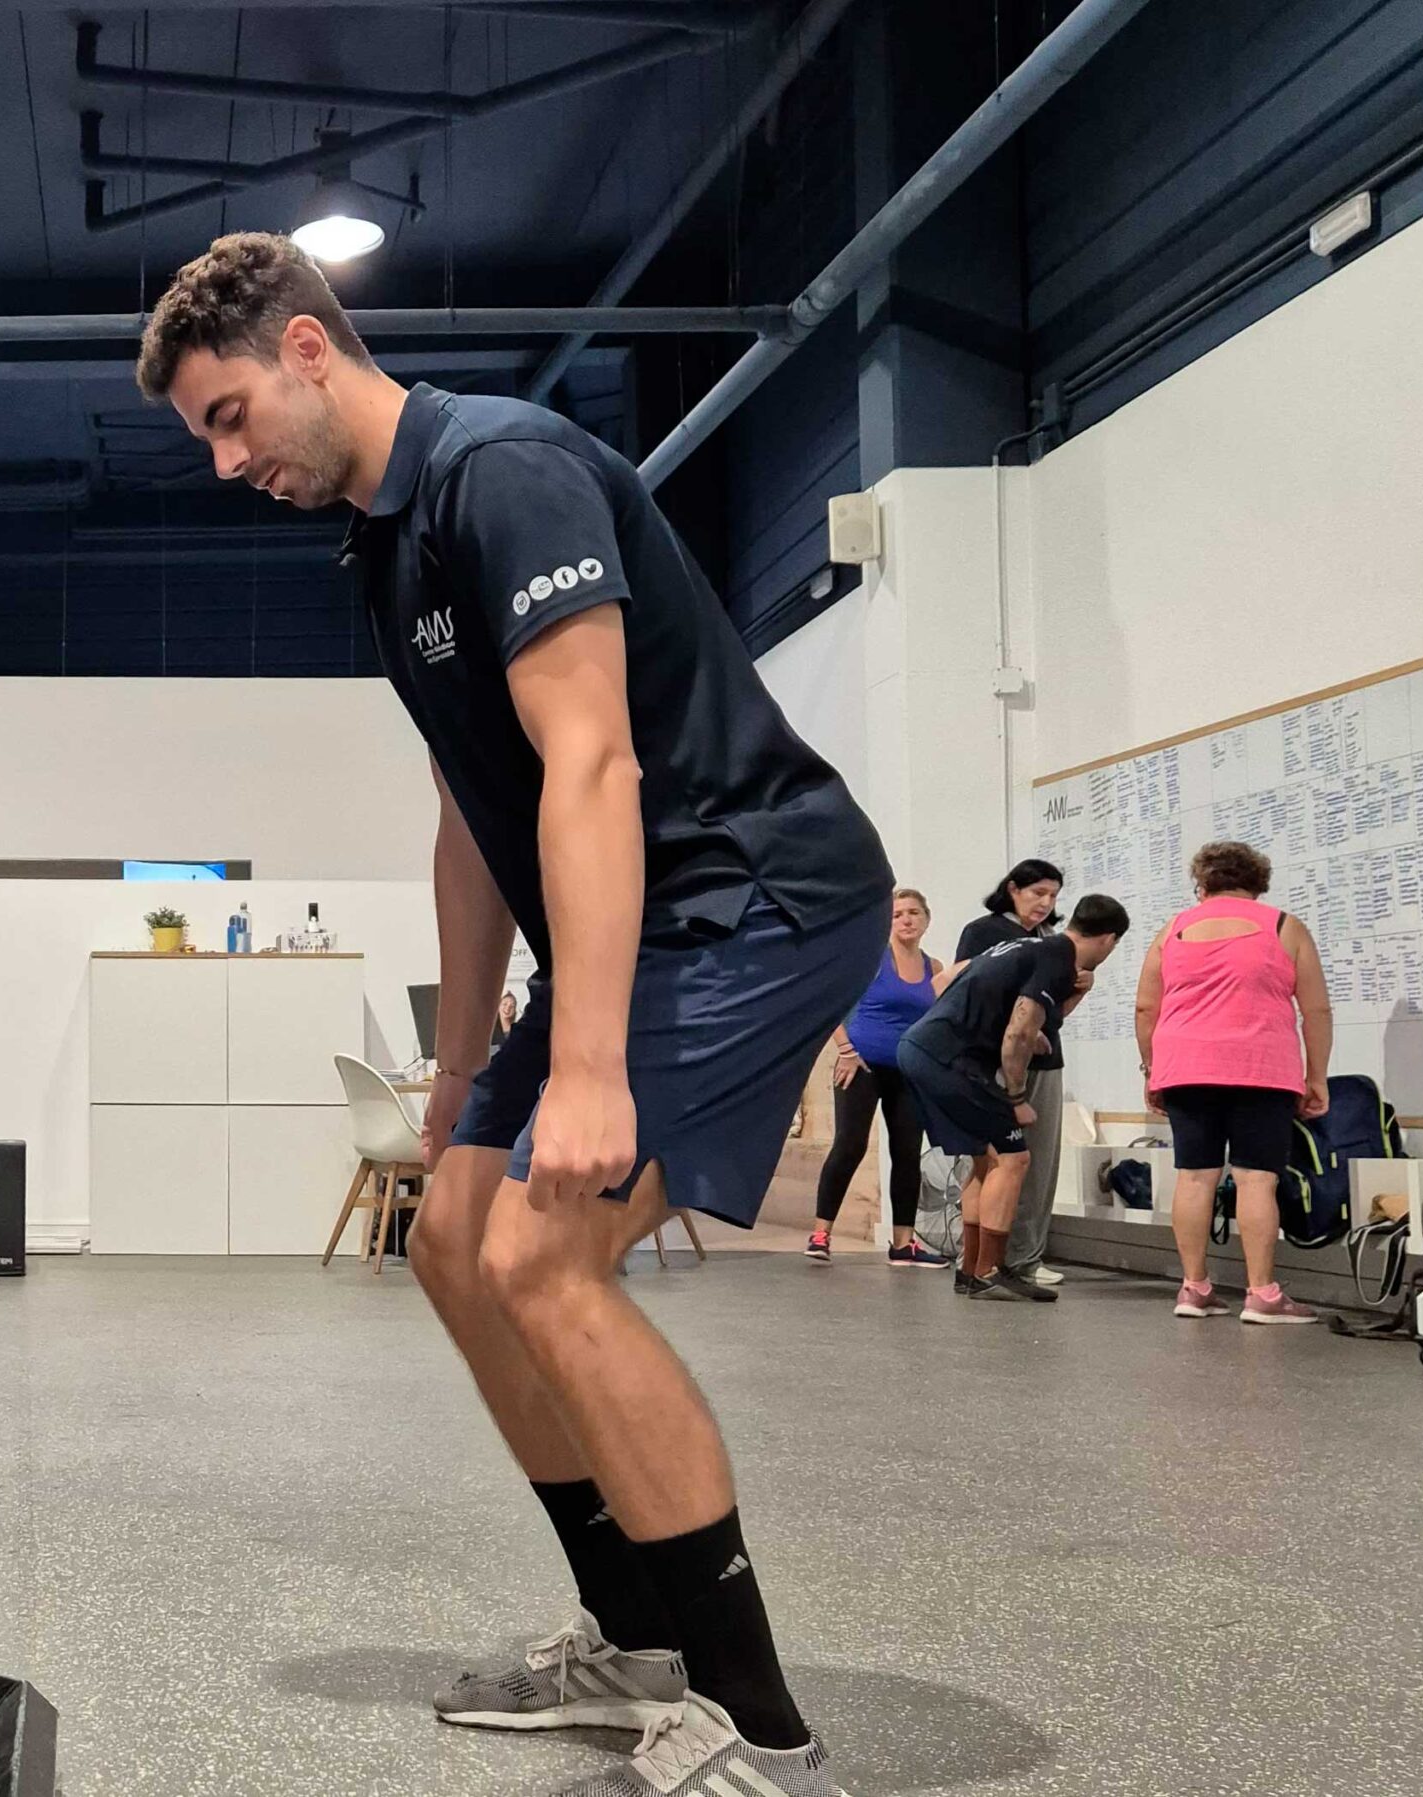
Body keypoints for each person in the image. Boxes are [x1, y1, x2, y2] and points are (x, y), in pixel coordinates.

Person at [139, 234, 893, 1797]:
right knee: (450, 1231)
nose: (224, 464)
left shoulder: (504, 471)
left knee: (545, 1251)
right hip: (636, 917)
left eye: (225, 417)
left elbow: (592, 769)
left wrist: (597, 1063)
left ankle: (761, 1729)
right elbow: (476, 817)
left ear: (303, 351)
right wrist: (468, 1064)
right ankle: (631, 1641)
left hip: (752, 896)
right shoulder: (385, 544)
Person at [1133, 841, 1332, 1323]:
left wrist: (1152, 1067)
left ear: (1202, 884)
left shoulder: (1171, 931)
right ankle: (1262, 1295)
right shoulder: (1285, 927)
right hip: (1262, 1069)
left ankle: (1194, 1288)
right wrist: (1317, 1076)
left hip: (1185, 1067)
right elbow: (1316, 1009)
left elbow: (1145, 1008)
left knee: (1195, 1175)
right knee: (1256, 1178)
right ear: (1259, 883)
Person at [899, 894, 1131, 1300]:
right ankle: (990, 1269)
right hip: (951, 1060)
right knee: (1015, 1157)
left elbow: (942, 983)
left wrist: (993, 1027)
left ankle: (970, 1271)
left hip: (922, 1048)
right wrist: (1016, 1095)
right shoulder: (1058, 959)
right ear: (1109, 940)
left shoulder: (1026, 945)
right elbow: (1019, 1033)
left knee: (986, 1160)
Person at [808, 888, 948, 1267]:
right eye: (898, 913)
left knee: (906, 1153)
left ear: (926, 919)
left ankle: (903, 1243)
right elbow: (829, 1005)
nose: (906, 919)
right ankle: (821, 1234)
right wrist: (847, 1051)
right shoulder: (871, 959)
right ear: (887, 921)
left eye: (914, 913)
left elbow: (940, 1019)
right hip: (863, 1066)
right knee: (850, 1145)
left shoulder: (934, 968)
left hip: (908, 1071)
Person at [951, 859, 1074, 1286]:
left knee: (1037, 1162)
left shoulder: (1050, 941)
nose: (1045, 902)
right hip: (996, 1061)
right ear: (1013, 889)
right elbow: (968, 990)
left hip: (1044, 1059)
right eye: (1038, 892)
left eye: (1054, 895)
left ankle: (1026, 1254)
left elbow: (1052, 1011)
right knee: (996, 1160)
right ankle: (984, 1259)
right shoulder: (984, 932)